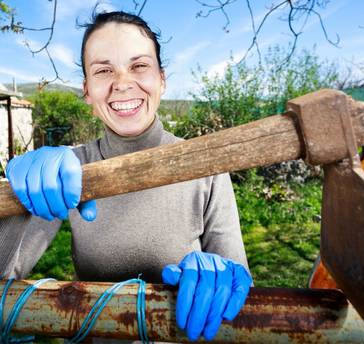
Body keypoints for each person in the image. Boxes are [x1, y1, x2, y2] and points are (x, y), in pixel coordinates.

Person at [1, 11, 252, 342]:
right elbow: (4, 277)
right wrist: (17, 203)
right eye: (104, 70)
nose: (121, 82)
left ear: (162, 79)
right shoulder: (69, 172)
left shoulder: (206, 167)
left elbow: (241, 294)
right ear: (87, 90)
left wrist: (224, 277)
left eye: (139, 66)